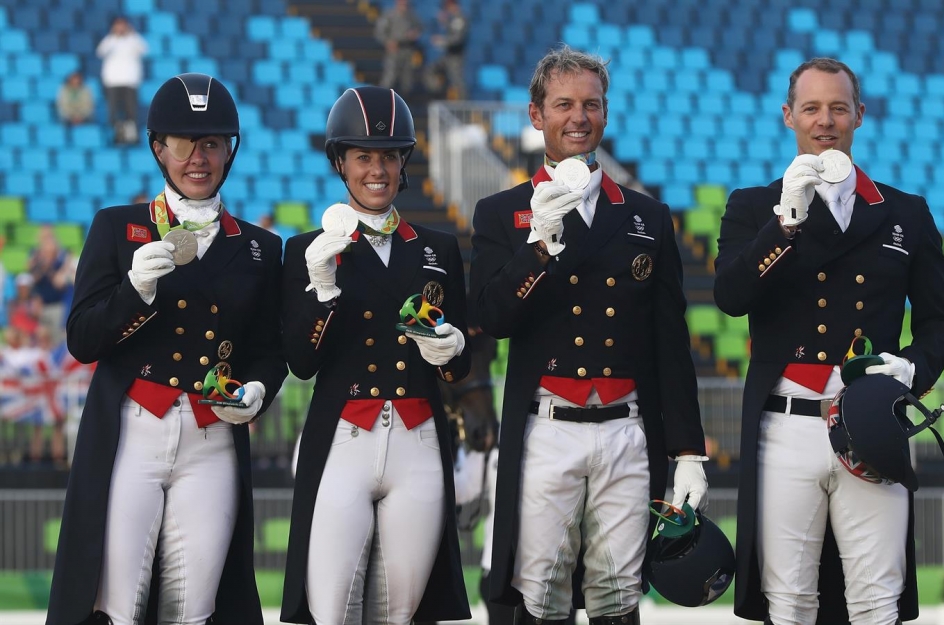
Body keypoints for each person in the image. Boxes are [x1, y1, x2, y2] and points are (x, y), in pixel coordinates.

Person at [713, 57, 944, 625]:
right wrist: (785, 226)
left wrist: (911, 369)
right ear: (788, 116)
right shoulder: (753, 207)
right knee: (791, 602)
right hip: (785, 427)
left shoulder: (906, 212)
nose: (825, 120)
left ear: (859, 115)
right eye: (811, 108)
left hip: (870, 425)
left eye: (838, 108)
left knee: (877, 600)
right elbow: (729, 297)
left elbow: (940, 324)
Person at [469, 45, 707, 624]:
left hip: (626, 430)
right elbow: (492, 319)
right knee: (542, 590)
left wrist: (689, 452)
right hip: (546, 428)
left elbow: (670, 342)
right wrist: (538, 249)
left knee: (618, 592)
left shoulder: (648, 217)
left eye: (591, 105)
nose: (578, 117)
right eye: (563, 104)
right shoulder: (501, 213)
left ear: (606, 112)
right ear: (535, 115)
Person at [46, 73, 287, 625]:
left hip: (212, 439)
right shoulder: (116, 228)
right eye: (181, 144)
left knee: (194, 608)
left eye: (211, 144)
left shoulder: (258, 247)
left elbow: (269, 353)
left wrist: (258, 389)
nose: (196, 158)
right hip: (134, 430)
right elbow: (83, 340)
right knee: (118, 603)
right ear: (158, 147)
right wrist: (134, 293)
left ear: (230, 151)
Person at [280, 85, 471, 624]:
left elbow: (459, 368)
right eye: (364, 156)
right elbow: (301, 361)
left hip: (419, 436)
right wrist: (322, 290)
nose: (378, 170)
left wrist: (452, 346)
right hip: (345, 433)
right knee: (333, 606)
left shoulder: (439, 249)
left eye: (389, 156)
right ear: (341, 161)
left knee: (400, 611)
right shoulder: (306, 250)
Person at [96, 16, 147, 144]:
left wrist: (132, 34)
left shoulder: (133, 39)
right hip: (113, 81)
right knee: (114, 110)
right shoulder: (110, 40)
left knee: (130, 111)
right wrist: (114, 36)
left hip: (130, 81)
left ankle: (131, 136)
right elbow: (100, 52)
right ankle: (116, 135)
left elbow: (144, 49)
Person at [29, 225, 76, 344]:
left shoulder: (61, 260)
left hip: (57, 305)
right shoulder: (36, 258)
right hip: (42, 305)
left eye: (48, 239)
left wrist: (50, 266)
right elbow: (33, 278)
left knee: (57, 340)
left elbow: (58, 283)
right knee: (43, 339)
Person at [374, 0, 422, 94]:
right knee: (390, 77)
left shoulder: (412, 16)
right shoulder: (389, 15)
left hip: (408, 50)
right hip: (394, 50)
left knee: (407, 79)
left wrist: (415, 34)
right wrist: (388, 42)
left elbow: (420, 29)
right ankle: (384, 97)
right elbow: (379, 32)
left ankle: (406, 101)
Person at [426, 0, 468, 100]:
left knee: (457, 81)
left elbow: (457, 39)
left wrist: (442, 41)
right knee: (431, 70)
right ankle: (438, 94)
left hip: (455, 56)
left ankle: (463, 106)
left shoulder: (460, 18)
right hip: (448, 56)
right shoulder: (451, 19)